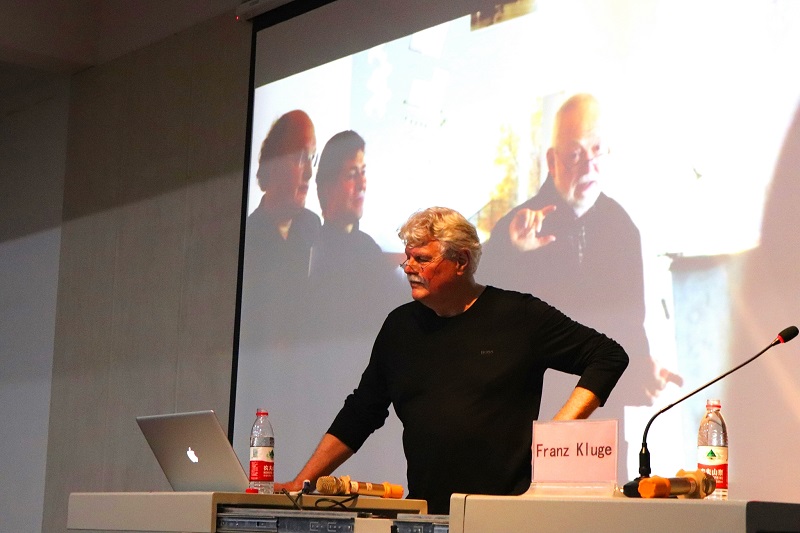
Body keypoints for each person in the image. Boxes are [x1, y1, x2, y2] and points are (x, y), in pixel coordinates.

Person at [277, 207, 628, 514]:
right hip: (426, 515)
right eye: (407, 258)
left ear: (461, 261)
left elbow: (608, 356)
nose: (409, 267)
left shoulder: (518, 315)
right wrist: (301, 483)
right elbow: (360, 413)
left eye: (422, 259)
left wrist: (558, 434)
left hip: (507, 515)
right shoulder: (400, 327)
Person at [480, 94, 673, 412]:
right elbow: (482, 310)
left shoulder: (622, 226)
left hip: (600, 411)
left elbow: (629, 324)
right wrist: (511, 250)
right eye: (575, 154)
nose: (589, 165)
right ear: (552, 160)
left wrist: (642, 372)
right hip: (533, 407)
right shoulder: (517, 228)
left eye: (597, 149)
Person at [306, 130, 407, 340]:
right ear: (327, 187)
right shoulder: (314, 251)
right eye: (352, 175)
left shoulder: (366, 246)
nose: (362, 184)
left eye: (363, 172)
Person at [241, 110, 321, 350]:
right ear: (273, 164)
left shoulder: (313, 226)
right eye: (300, 157)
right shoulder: (248, 237)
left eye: (312, 158)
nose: (309, 172)